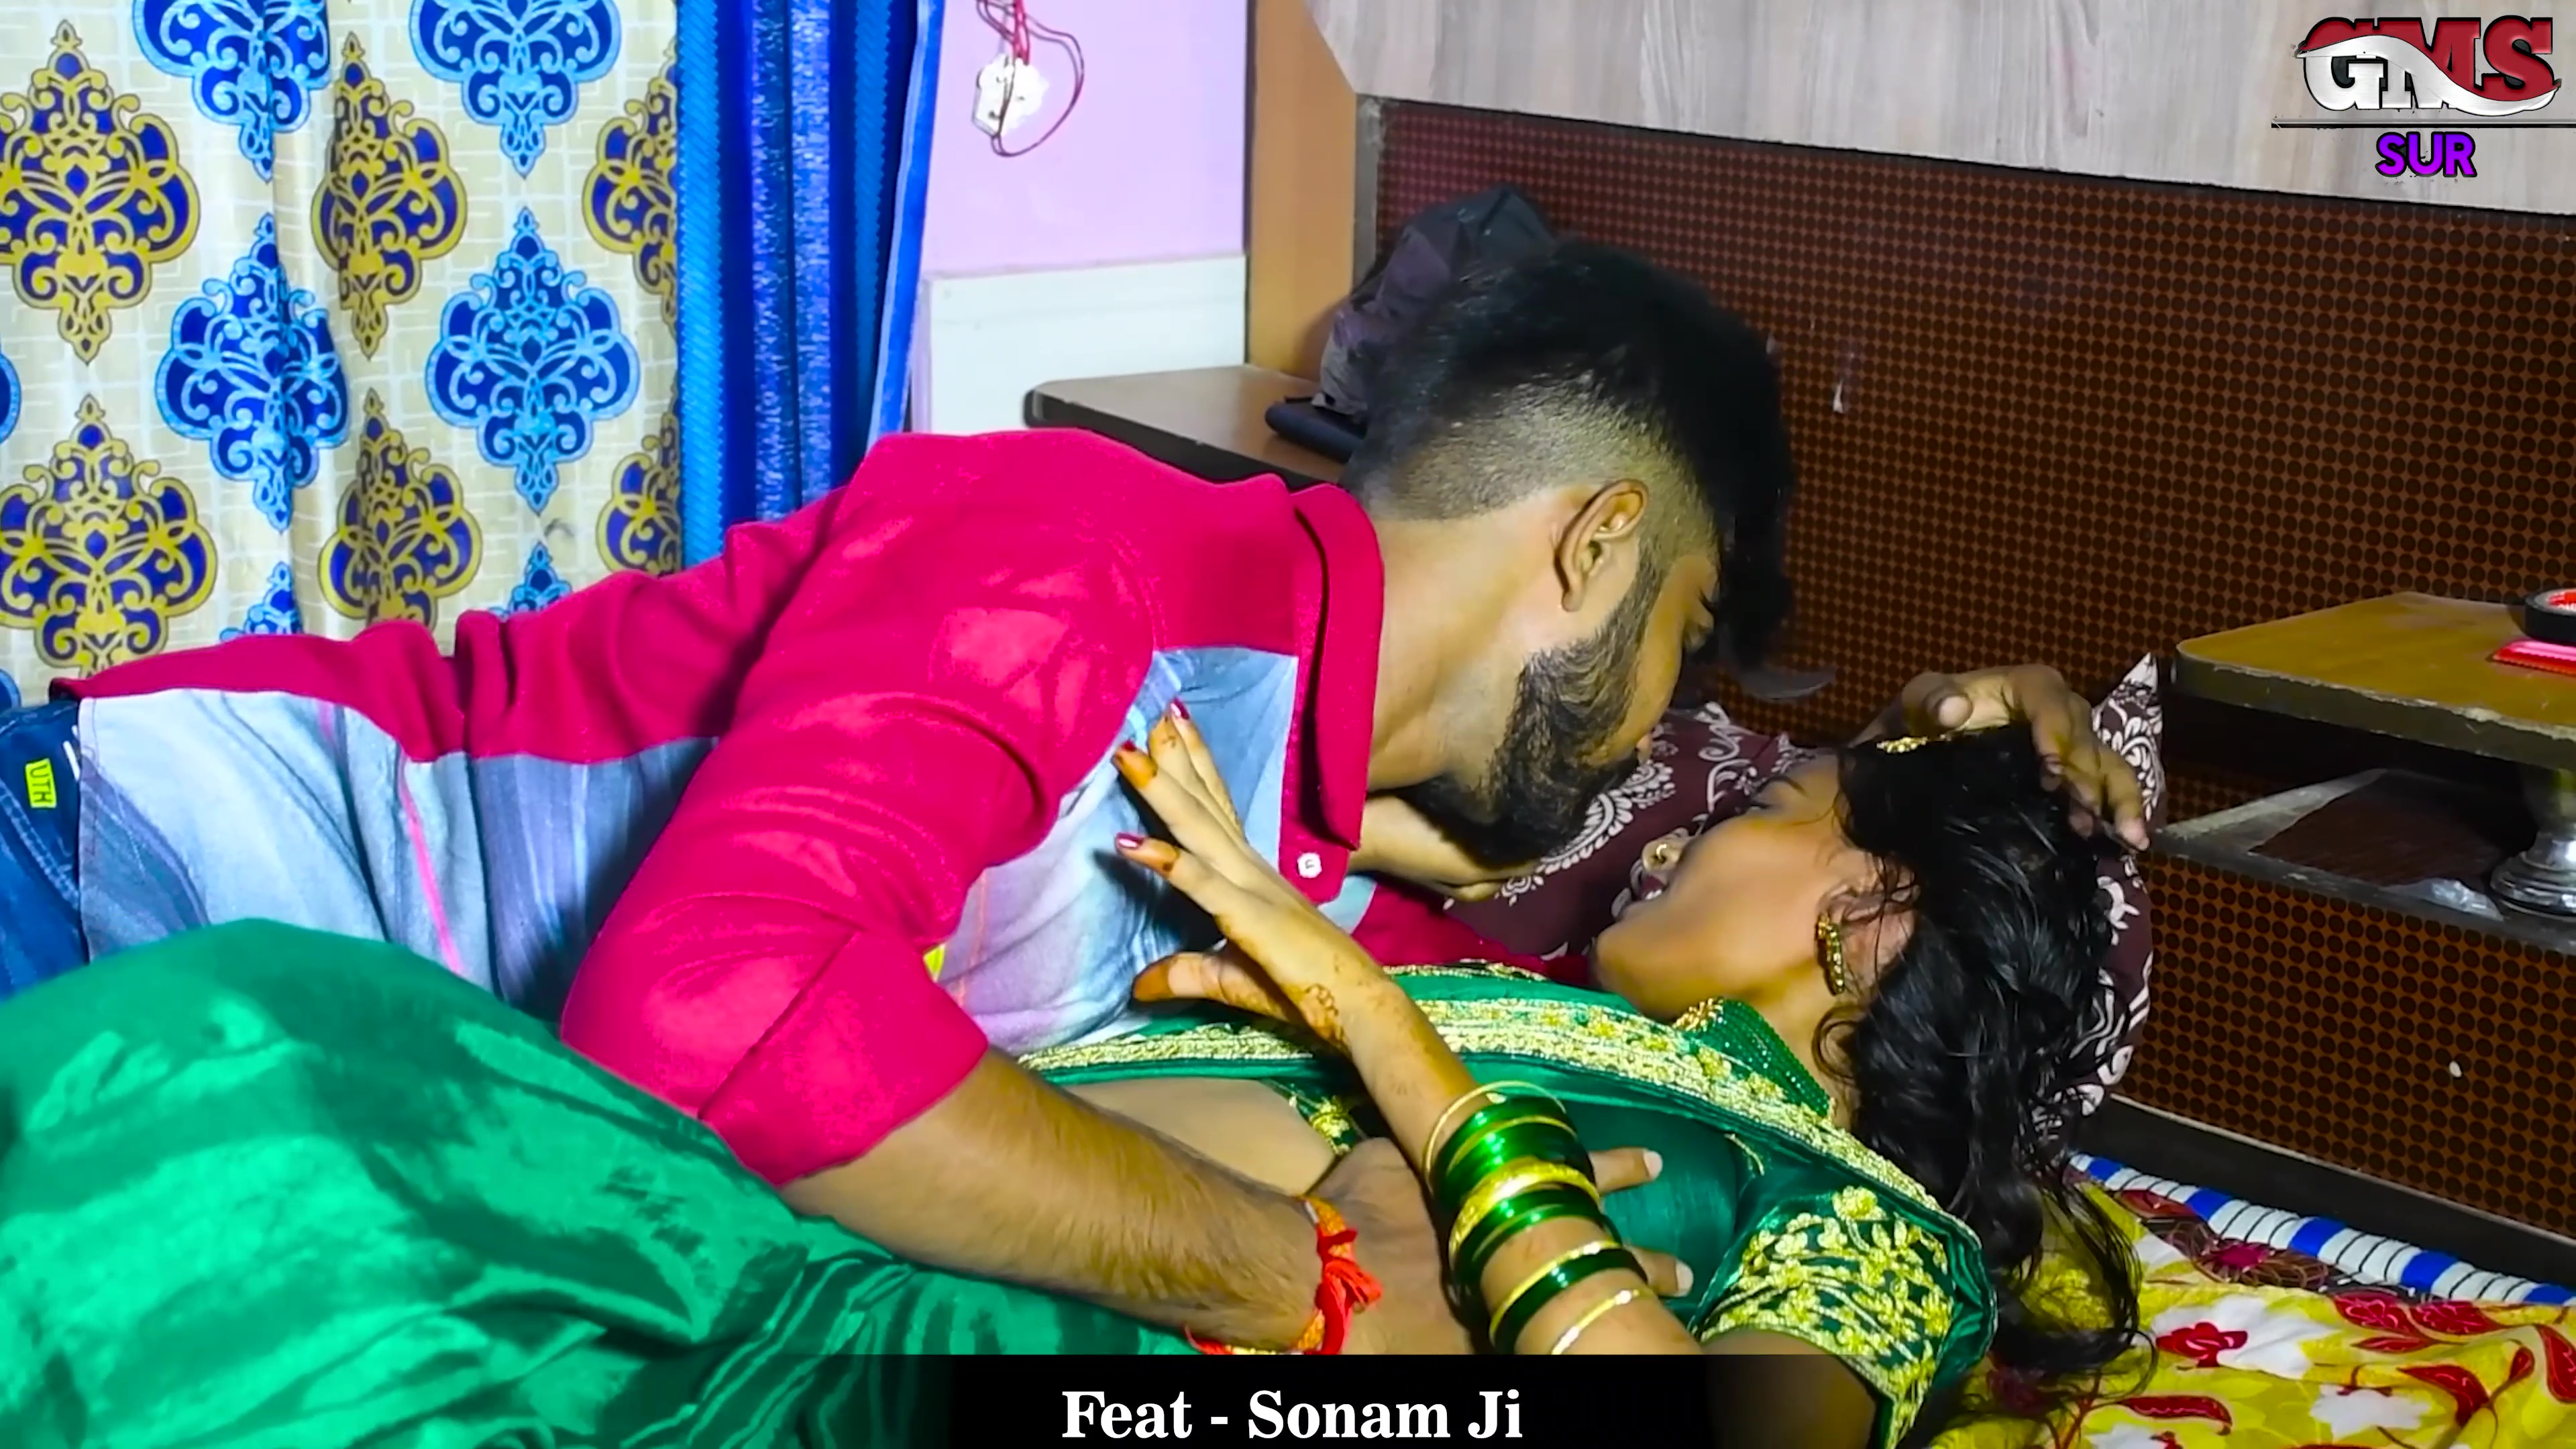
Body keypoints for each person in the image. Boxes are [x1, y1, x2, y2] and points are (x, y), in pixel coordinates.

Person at [0, 240, 2144, 1354]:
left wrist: (1975, 727)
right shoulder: (1083, 563)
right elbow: (713, 1023)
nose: (1658, 758)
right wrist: (1272, 1276)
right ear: (1587, 550)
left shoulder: (1320, 868)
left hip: (338, 1141)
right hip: (135, 880)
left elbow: (1647, 1016)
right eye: (1678, 645)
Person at [0, 706, 2131, 1448]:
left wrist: (1393, 1050)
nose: (1685, 830)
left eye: (1775, 805)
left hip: (999, 1369)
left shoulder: (1876, 1232)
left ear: (1875, 923)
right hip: (786, 1244)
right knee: (285, 1040)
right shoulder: (1532, 988)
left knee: (255, 1148)